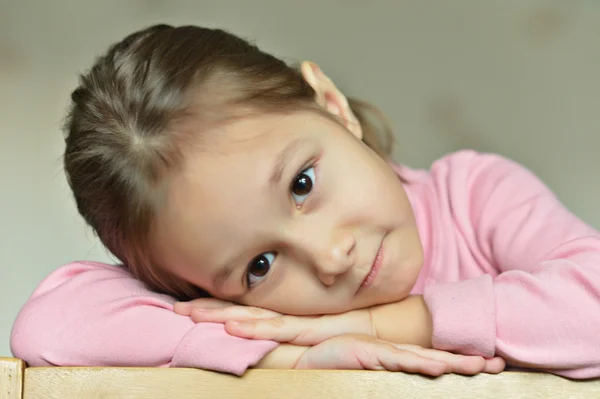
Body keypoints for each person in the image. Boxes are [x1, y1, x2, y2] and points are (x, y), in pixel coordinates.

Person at [10, 24, 600, 379]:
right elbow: (52, 323)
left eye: (301, 185)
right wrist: (281, 360)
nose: (329, 258)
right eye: (258, 267)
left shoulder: (472, 196)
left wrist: (382, 326)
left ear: (330, 104)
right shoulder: (255, 324)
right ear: (203, 294)